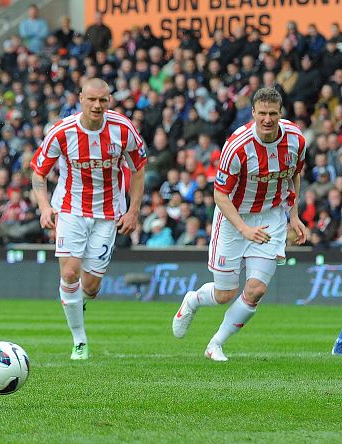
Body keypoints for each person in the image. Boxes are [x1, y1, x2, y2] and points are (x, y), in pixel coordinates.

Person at [172, 87, 309, 361]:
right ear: (253, 113)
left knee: (256, 289)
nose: (267, 119)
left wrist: (293, 216)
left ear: (280, 113)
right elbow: (220, 194)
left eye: (273, 114)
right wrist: (244, 229)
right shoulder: (237, 146)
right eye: (262, 114)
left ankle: (215, 344)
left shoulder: (296, 139)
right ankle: (193, 300)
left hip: (271, 217)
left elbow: (294, 175)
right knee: (225, 293)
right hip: (234, 217)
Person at [30, 78, 147, 360]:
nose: (97, 105)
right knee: (70, 273)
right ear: (80, 99)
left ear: (109, 101)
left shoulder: (123, 129)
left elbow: (139, 169)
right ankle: (79, 340)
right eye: (91, 99)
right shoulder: (62, 132)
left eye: (102, 100)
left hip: (108, 214)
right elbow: (38, 173)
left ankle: (75, 304)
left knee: (91, 287)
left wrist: (133, 211)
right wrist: (45, 207)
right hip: (70, 209)